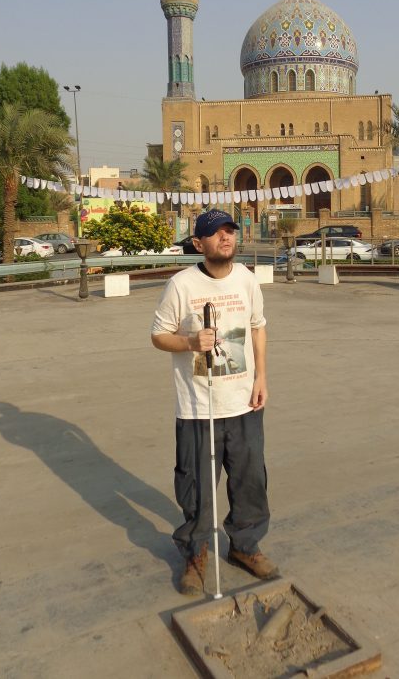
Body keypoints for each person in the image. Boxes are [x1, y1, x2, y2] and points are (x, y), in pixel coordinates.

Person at [151, 209, 278, 596]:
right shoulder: (181, 285)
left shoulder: (247, 280)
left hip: (242, 403)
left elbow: (257, 327)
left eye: (229, 231)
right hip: (197, 407)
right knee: (196, 486)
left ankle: (245, 546)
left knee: (250, 481)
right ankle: (196, 552)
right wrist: (190, 342)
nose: (225, 238)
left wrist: (261, 377)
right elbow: (159, 336)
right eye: (216, 233)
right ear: (198, 243)